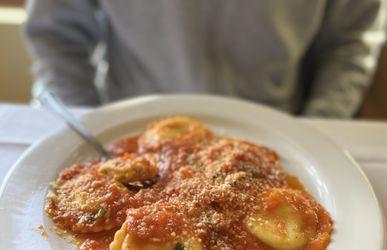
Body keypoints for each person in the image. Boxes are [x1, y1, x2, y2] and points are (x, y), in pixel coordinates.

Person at [24, 0, 386, 117]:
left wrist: (317, 126)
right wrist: (90, 130)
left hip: (281, 124)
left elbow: (348, 40)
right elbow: (55, 34)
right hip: (127, 122)